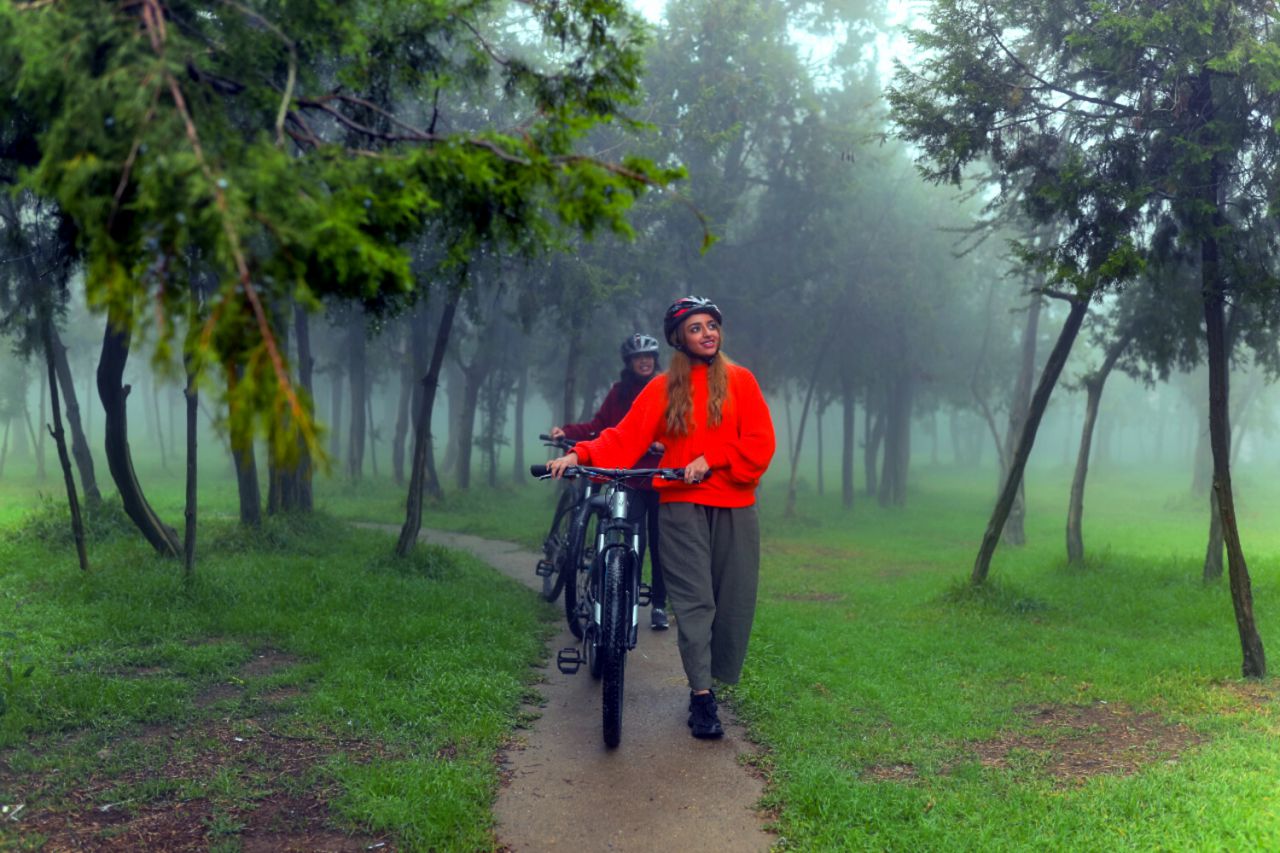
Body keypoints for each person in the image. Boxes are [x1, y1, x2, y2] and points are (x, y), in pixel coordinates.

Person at [547, 296, 775, 739]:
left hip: (736, 507)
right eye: (696, 328)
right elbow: (623, 438)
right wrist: (580, 453)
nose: (707, 333)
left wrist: (712, 459)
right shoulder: (663, 388)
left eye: (712, 325)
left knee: (733, 603)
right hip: (681, 508)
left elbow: (760, 442)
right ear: (678, 338)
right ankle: (702, 697)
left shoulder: (742, 381)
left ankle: (714, 680)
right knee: (694, 603)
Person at [552, 333, 670, 630]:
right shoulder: (618, 393)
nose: (644, 361)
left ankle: (658, 604)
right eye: (638, 357)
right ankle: (623, 597)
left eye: (649, 356)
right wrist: (566, 431)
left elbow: (676, 429)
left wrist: (660, 444)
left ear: (656, 360)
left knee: (659, 543)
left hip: (658, 476)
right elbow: (599, 427)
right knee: (633, 538)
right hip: (626, 474)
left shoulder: (666, 389)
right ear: (629, 362)